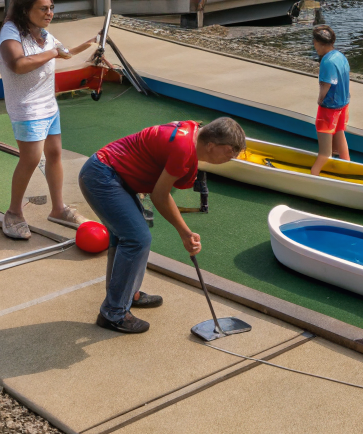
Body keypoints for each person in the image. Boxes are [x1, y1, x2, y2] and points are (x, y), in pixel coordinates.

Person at [79, 117, 245, 333]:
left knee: (129, 237)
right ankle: (114, 313)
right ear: (212, 145)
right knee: (137, 239)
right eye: (230, 151)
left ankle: (128, 295)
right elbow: (159, 196)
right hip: (103, 175)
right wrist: (185, 233)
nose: (231, 157)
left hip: (114, 174)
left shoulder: (193, 134)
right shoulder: (184, 149)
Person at [0, 0, 99, 240]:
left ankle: (58, 209)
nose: (49, 13)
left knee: (54, 155)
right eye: (43, 8)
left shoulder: (42, 33)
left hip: (48, 106)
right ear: (24, 10)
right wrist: (53, 52)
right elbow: (19, 65)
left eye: (51, 8)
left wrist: (91, 47)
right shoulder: (10, 35)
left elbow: (63, 53)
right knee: (30, 159)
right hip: (27, 108)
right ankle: (13, 213)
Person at [309, 25, 351, 175]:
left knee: (325, 152)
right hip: (343, 104)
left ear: (320, 43)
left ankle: (314, 176)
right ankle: (347, 166)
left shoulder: (327, 62)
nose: (314, 46)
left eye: (314, 42)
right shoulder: (340, 56)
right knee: (340, 133)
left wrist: (320, 99)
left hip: (329, 108)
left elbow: (326, 84)